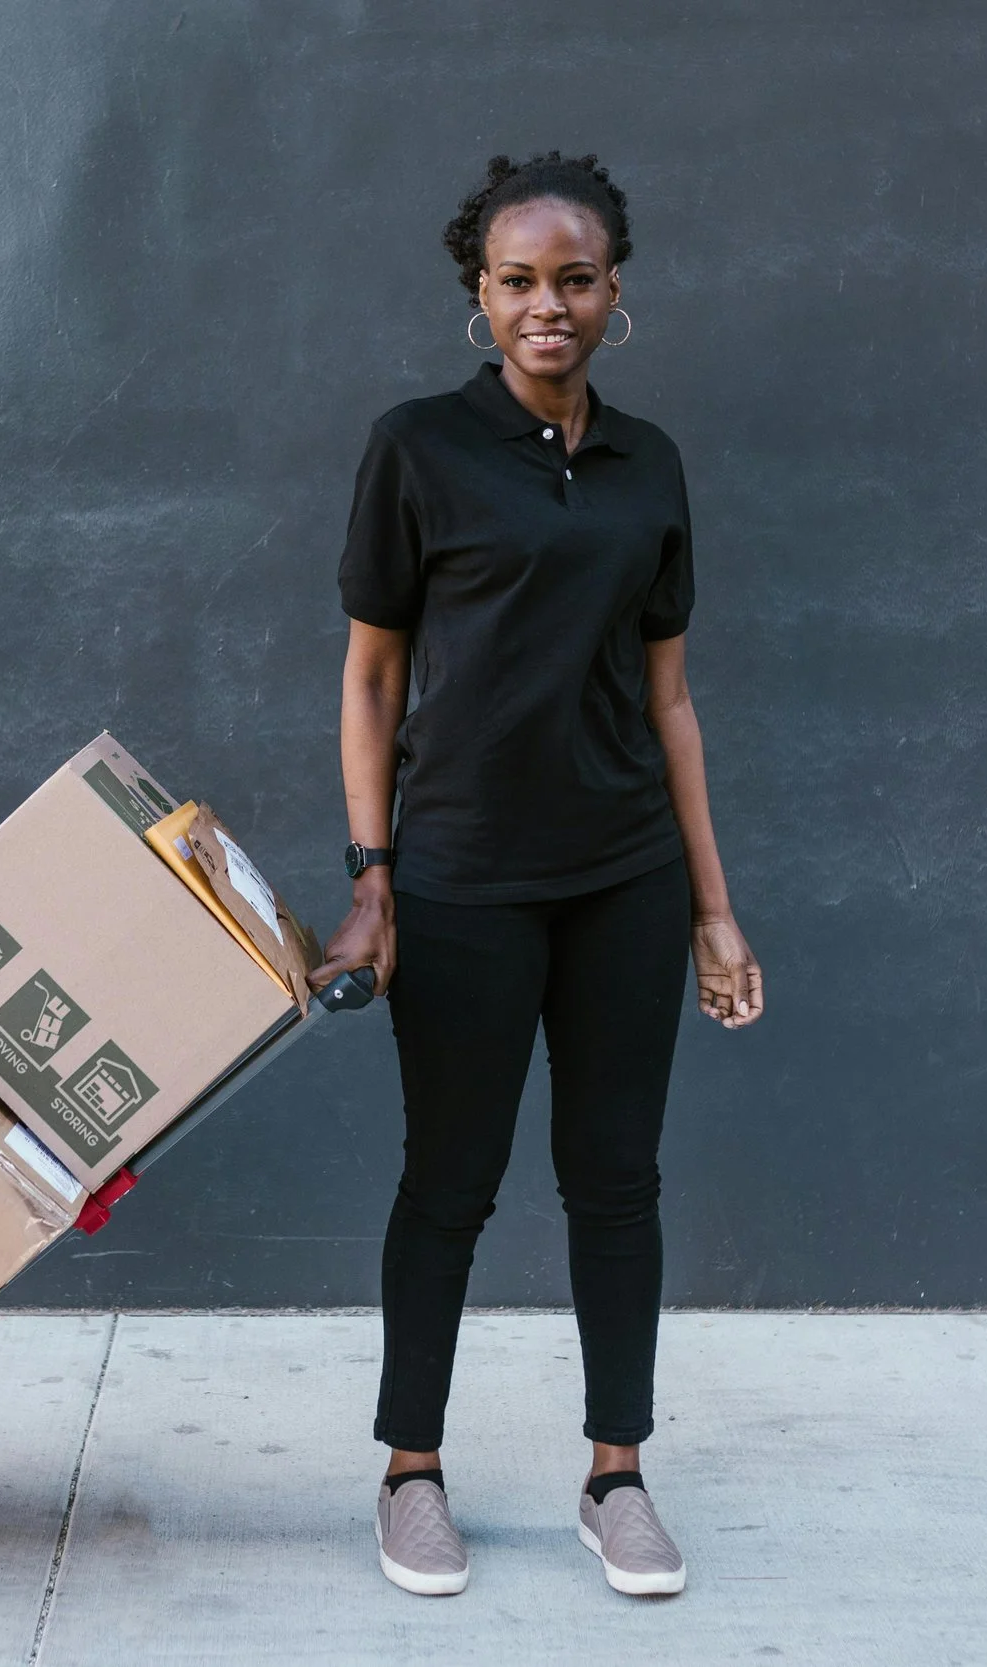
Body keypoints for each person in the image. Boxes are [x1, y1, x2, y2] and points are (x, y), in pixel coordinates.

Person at [308, 152, 765, 1600]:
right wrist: (374, 875)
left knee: (617, 1182)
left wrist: (711, 903)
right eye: (518, 282)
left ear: (615, 291)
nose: (547, 305)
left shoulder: (652, 467)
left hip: (622, 875)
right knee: (449, 1179)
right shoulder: (418, 450)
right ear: (479, 297)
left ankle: (617, 1470)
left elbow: (672, 699)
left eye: (575, 279)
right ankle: (411, 1470)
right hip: (460, 881)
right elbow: (371, 681)